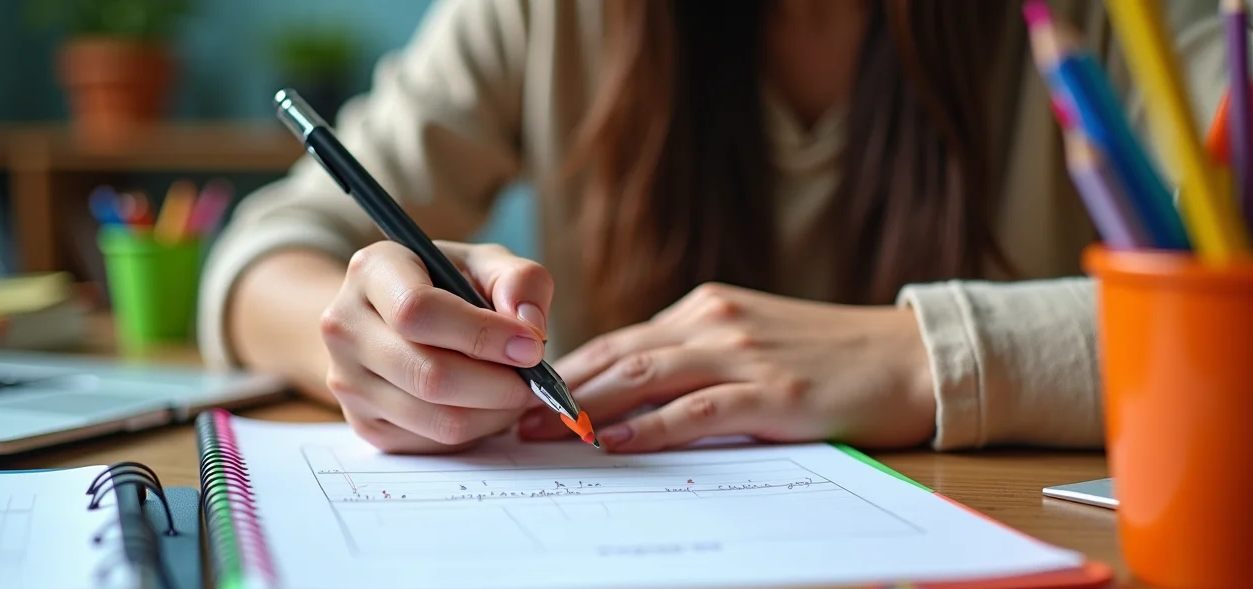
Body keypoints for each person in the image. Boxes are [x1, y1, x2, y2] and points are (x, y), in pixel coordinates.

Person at [200, 0, 1230, 455]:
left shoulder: (1118, 18)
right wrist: (380, 337)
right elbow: (260, 257)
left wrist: (926, 358)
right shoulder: (544, 12)